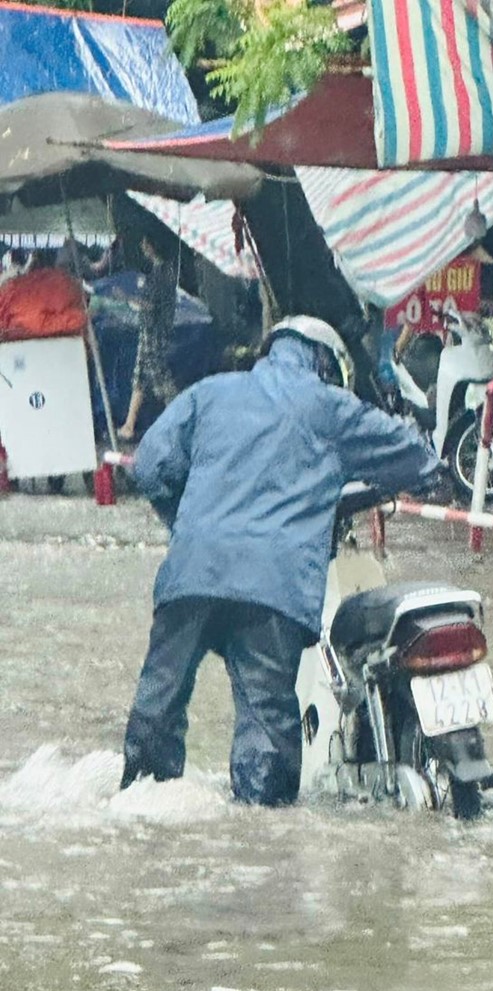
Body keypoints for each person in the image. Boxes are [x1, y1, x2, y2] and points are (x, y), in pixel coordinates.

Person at [120, 315, 442, 806]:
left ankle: (140, 809)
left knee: (158, 709)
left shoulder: (210, 393)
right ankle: (261, 837)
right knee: (267, 731)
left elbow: (148, 466)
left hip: (191, 575)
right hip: (274, 591)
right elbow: (417, 461)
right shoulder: (330, 407)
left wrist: (189, 524)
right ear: (325, 365)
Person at [117, 235, 178, 440]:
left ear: (152, 246)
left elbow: (150, 305)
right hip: (151, 331)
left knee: (160, 377)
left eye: (145, 242)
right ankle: (129, 424)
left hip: (154, 333)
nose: (142, 246)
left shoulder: (160, 274)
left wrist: (125, 298)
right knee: (140, 377)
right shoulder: (164, 272)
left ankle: (180, 419)